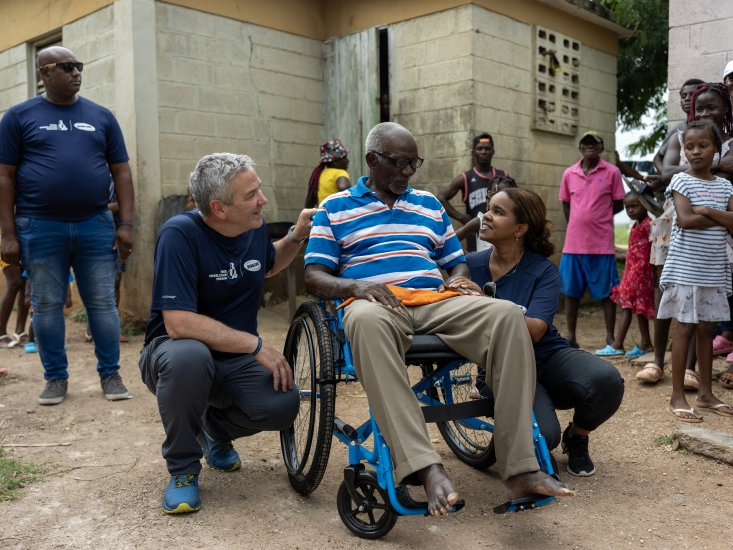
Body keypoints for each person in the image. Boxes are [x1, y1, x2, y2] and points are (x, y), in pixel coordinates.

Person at [304, 122, 575, 516]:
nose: (408, 172)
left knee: (505, 315)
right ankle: (425, 468)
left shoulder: (429, 205)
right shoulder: (336, 207)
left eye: (414, 163)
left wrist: (460, 280)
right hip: (375, 302)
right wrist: (356, 288)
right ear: (372, 160)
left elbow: (455, 263)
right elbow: (314, 275)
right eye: (399, 163)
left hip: (434, 300)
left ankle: (520, 469)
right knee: (364, 321)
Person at [139, 152, 315, 514]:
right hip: (174, 355)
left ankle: (213, 429)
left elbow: (266, 265)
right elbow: (179, 324)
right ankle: (184, 470)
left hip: (233, 359)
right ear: (219, 208)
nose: (262, 201)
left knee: (283, 403)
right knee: (191, 355)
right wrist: (255, 345)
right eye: (251, 195)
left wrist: (297, 235)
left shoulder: (252, 227)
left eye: (259, 191)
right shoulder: (179, 235)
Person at [449, 188, 624, 476]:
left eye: (498, 212)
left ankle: (577, 436)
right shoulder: (469, 266)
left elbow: (534, 332)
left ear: (521, 228)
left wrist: (485, 302)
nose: (487, 217)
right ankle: (545, 439)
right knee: (544, 437)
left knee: (607, 381)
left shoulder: (543, 271)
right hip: (502, 367)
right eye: (488, 209)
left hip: (546, 355)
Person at [0, 46, 134, 405]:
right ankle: (55, 378)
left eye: (79, 66)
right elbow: (5, 176)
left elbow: (121, 170)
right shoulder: (18, 117)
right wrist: (8, 233)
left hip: (95, 224)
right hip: (40, 227)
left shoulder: (101, 117)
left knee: (102, 304)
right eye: (67, 66)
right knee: (45, 305)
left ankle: (111, 374)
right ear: (45, 73)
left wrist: (126, 224)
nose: (76, 72)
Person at [639, 82, 733, 385]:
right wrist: (710, 211)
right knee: (672, 294)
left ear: (726, 109)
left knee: (702, 311)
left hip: (714, 243)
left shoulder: (726, 146)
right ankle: (658, 361)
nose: (705, 112)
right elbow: (667, 175)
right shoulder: (682, 137)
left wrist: (705, 211)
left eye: (712, 107)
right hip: (677, 230)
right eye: (700, 107)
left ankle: (692, 369)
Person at [659, 119, 733, 422]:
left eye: (703, 145)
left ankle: (704, 393)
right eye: (689, 147)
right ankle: (677, 395)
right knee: (686, 328)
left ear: (716, 148)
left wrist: (707, 210)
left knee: (707, 330)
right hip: (686, 269)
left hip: (713, 270)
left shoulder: (726, 185)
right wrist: (722, 217)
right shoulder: (681, 182)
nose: (695, 151)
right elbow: (686, 221)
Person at [558, 131, 625, 349]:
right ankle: (571, 336)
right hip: (573, 244)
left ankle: (609, 337)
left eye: (594, 144)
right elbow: (566, 203)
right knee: (571, 292)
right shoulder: (569, 173)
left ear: (601, 148)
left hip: (601, 244)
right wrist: (577, 223)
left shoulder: (612, 172)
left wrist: (598, 218)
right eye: (585, 144)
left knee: (608, 293)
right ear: (580, 149)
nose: (589, 147)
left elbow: (618, 203)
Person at [595, 192, 655, 358]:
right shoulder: (638, 224)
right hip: (633, 271)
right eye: (627, 207)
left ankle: (617, 344)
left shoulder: (648, 224)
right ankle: (646, 343)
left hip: (640, 272)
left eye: (634, 206)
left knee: (627, 306)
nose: (631, 210)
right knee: (638, 307)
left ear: (644, 204)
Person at [438, 132, 509, 252]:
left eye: (487, 148)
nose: (483, 152)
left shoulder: (503, 177)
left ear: (493, 151)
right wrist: (461, 217)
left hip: (500, 236)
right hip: (476, 238)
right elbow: (441, 198)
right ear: (473, 152)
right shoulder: (466, 178)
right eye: (479, 148)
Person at [652, 79, 705, 175]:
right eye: (683, 96)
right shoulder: (677, 130)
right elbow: (657, 158)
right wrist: (665, 177)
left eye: (692, 94)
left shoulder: (714, 128)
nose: (687, 99)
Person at [454, 175, 518, 251]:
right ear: (488, 198)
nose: (499, 199)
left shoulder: (515, 222)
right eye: (495, 195)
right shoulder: (480, 221)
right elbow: (449, 239)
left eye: (505, 195)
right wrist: (468, 257)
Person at [304, 138, 351, 207]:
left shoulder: (319, 174)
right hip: (336, 215)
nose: (347, 161)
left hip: (322, 214)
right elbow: (343, 187)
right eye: (344, 158)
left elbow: (310, 199)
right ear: (335, 161)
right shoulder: (340, 172)